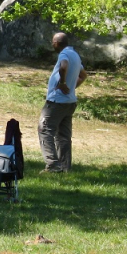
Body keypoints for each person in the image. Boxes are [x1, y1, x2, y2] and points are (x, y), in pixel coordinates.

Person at [38, 32, 87, 173]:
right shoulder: (75, 55)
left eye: (53, 42)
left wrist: (63, 83)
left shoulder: (64, 55)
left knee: (45, 129)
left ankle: (52, 165)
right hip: (69, 102)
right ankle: (65, 167)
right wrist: (72, 88)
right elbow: (83, 75)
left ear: (57, 43)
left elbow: (63, 66)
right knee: (63, 135)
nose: (52, 44)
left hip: (57, 101)